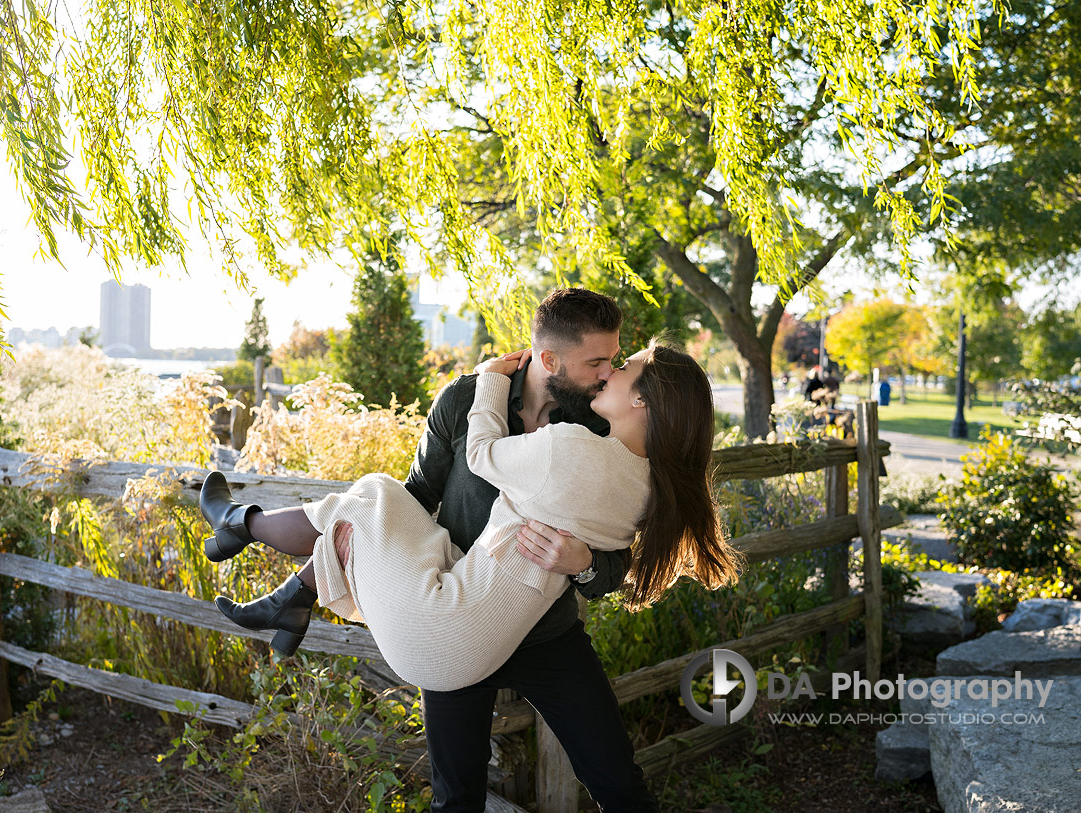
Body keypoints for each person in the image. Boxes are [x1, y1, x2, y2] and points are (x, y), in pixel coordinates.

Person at [200, 289, 743, 810]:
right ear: (549, 357)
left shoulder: (596, 424)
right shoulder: (462, 400)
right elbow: (417, 499)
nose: (607, 372)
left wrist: (583, 565)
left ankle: (256, 544)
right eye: (599, 361)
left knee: (618, 781)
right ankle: (279, 574)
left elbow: (616, 561)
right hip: (455, 595)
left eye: (616, 362)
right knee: (455, 799)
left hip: (544, 634)